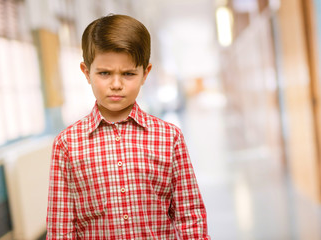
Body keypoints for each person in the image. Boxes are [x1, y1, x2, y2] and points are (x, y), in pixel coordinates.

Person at [46, 14, 210, 239]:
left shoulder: (169, 137)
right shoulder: (67, 145)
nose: (116, 84)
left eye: (128, 74)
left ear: (145, 73)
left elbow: (189, 215)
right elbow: (61, 228)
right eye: (104, 73)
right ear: (86, 72)